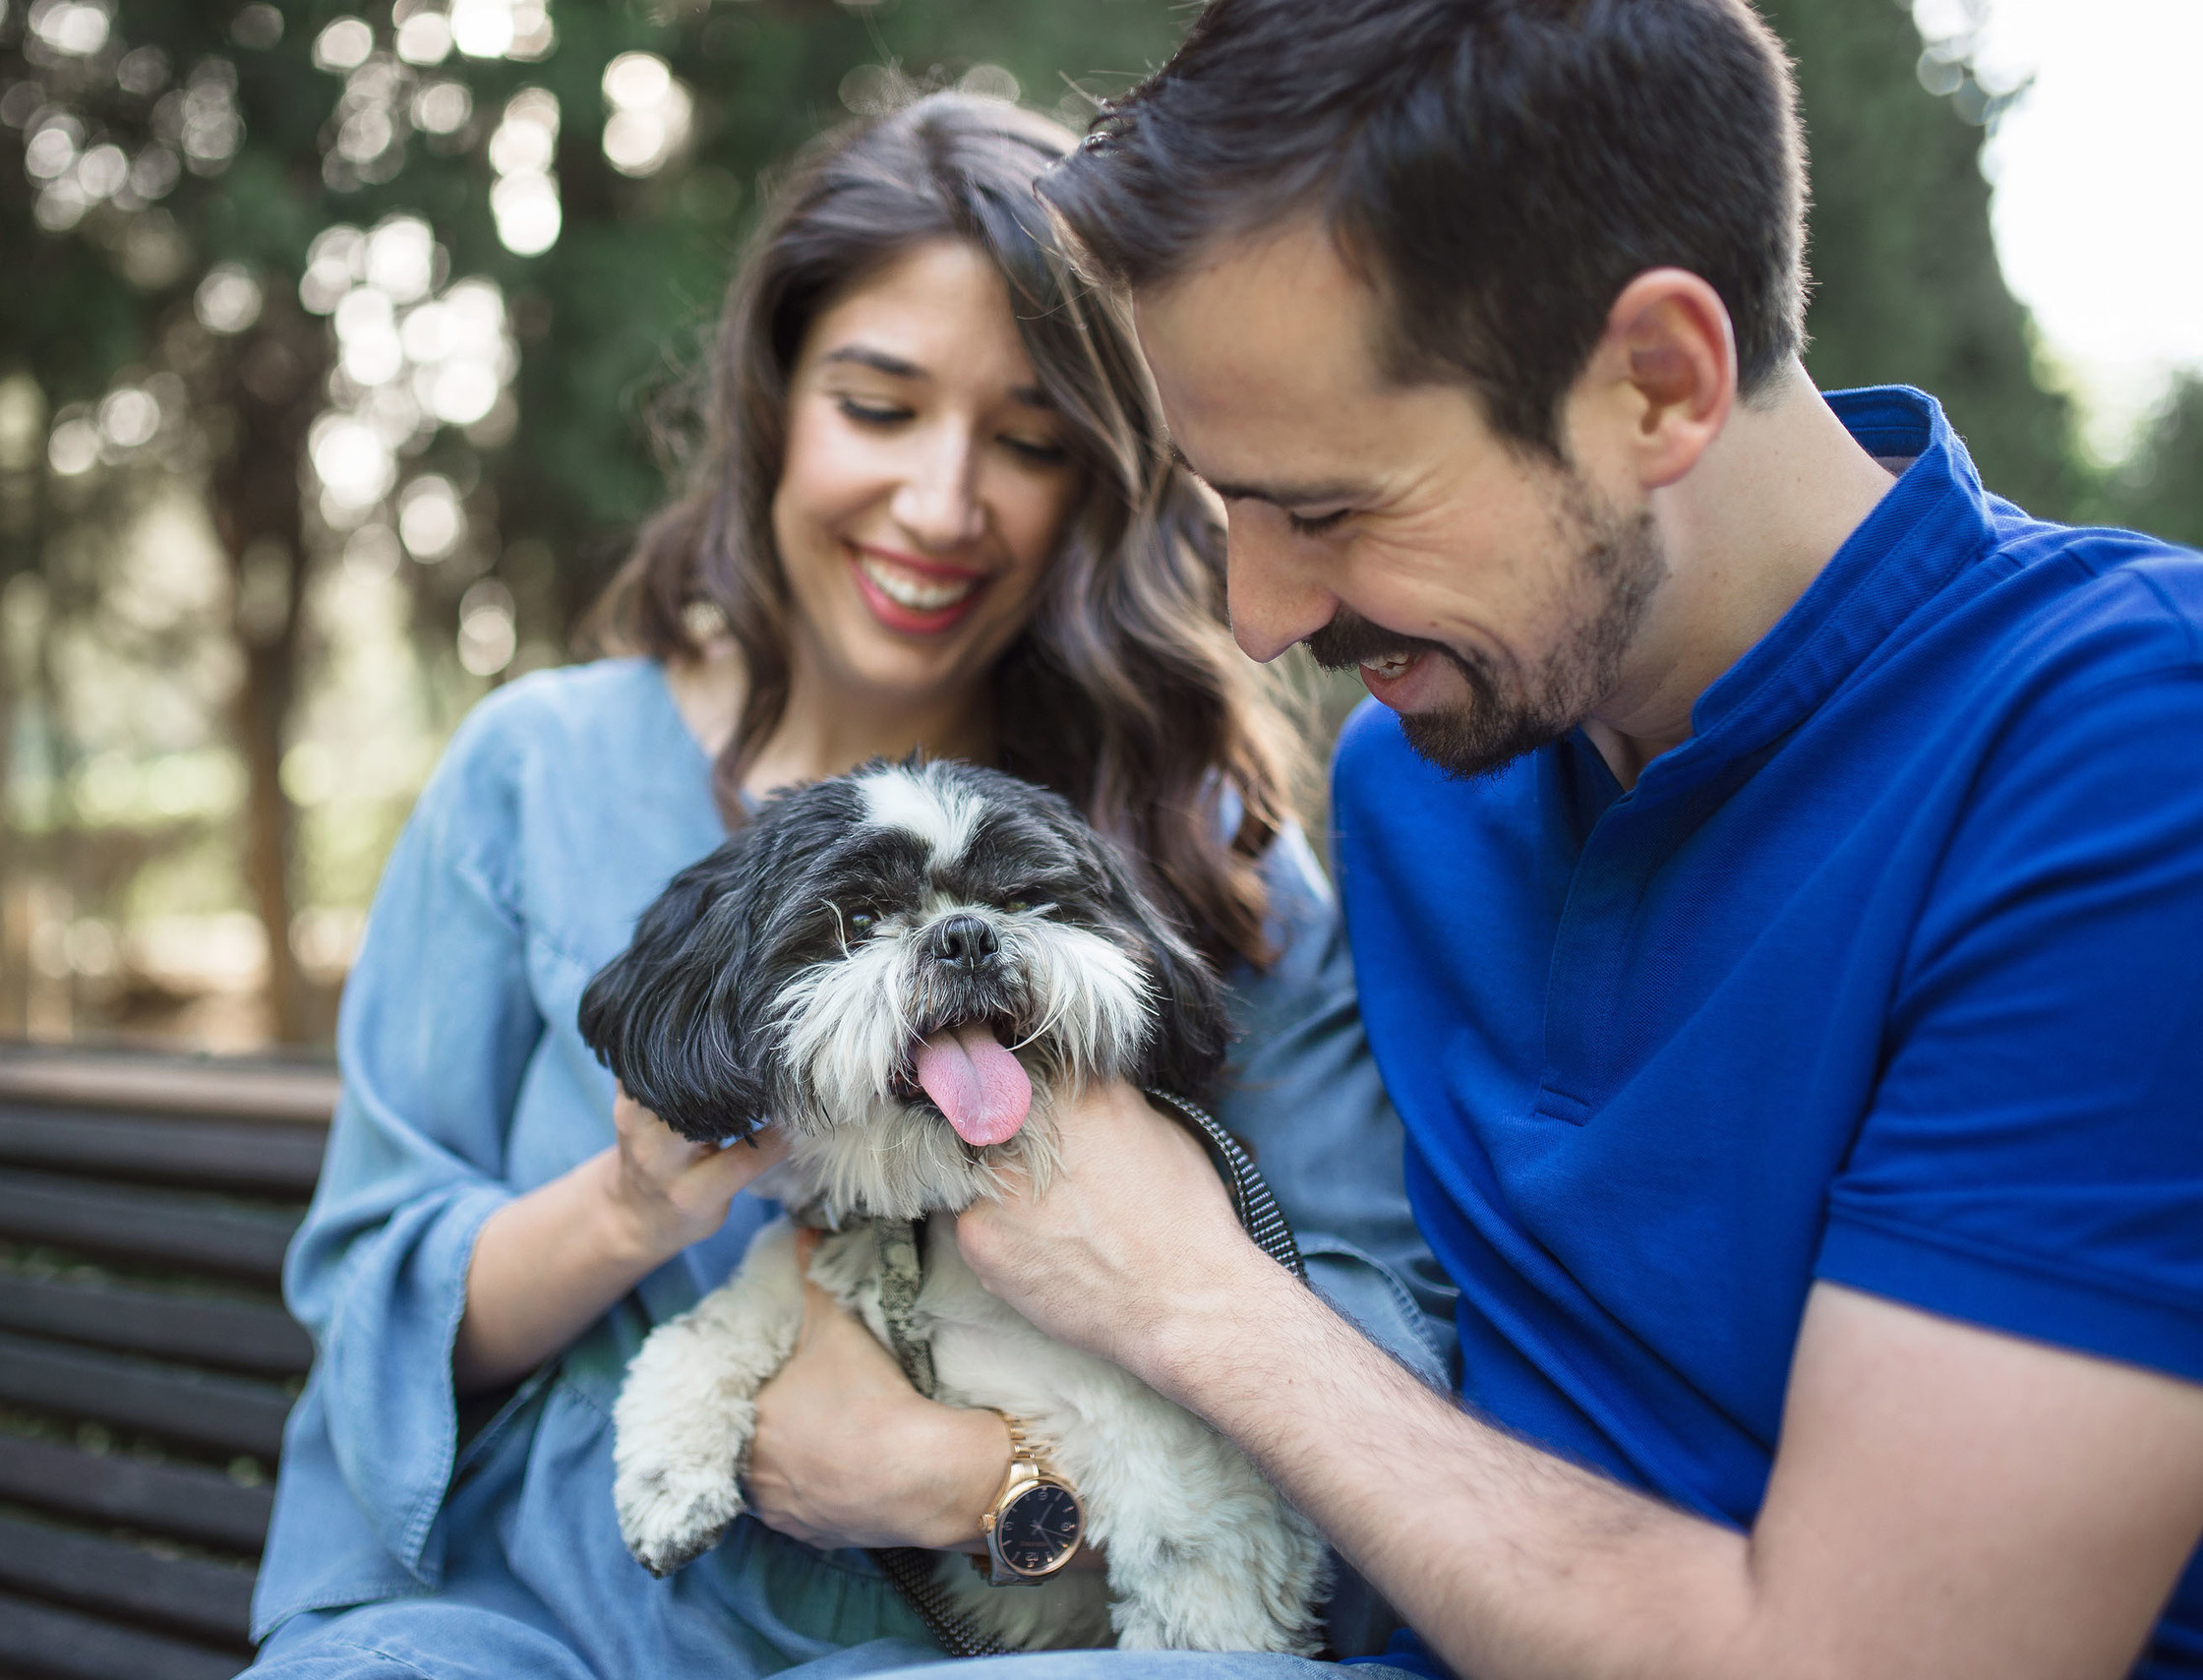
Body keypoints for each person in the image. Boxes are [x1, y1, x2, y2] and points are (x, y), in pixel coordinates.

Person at [928, 0, 2203, 1676]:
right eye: (1221, 505)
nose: (1256, 614)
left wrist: (1196, 1303)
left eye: (1327, 508)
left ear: (1660, 384)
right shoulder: (1412, 787)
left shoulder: (2122, 755)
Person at [243, 92, 1453, 1680]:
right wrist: (626, 1211)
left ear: (1101, 478)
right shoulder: (533, 773)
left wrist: (972, 1482)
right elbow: (377, 1306)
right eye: (879, 407)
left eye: (1027, 442)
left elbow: (1366, 1327)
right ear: (774, 406)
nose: (943, 506)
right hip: (542, 1610)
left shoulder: (1192, 845)